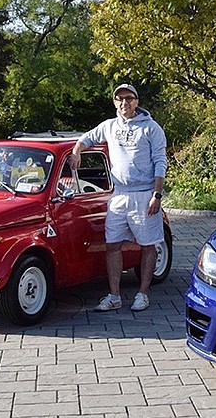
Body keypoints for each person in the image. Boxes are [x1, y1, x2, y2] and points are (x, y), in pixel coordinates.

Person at [72, 84, 168, 312]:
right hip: (119, 194)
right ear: (115, 102)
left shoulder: (151, 129)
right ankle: (114, 295)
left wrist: (157, 195)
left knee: (147, 245)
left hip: (145, 194)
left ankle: (143, 294)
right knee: (112, 245)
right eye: (119, 98)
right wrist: (77, 152)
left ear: (136, 101)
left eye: (129, 98)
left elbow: (160, 163)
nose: (124, 102)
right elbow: (86, 138)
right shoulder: (109, 126)